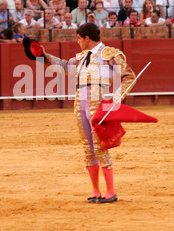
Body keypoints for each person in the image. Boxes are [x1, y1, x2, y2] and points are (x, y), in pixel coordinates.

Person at [39, 23, 136, 203]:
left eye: (78, 39)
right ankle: (96, 191)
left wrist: (116, 99)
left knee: (100, 147)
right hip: (79, 103)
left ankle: (111, 191)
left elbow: (129, 76)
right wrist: (43, 56)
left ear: (87, 38)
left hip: (97, 102)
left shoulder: (109, 54)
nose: (77, 42)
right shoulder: (82, 57)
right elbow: (65, 67)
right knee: (88, 148)